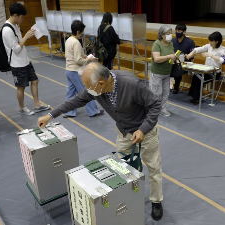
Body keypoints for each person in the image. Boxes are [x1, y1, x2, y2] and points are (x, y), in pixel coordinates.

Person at [38, 62, 164, 221]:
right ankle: (127, 199)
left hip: (146, 132)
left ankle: (156, 201)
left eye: (87, 85)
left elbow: (155, 104)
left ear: (101, 83)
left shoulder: (132, 84)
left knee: (153, 168)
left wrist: (143, 129)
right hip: (124, 132)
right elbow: (76, 100)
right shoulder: (96, 88)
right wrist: (50, 116)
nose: (86, 89)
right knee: (123, 169)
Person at [2, 2, 50, 115]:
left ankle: (37, 105)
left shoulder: (16, 25)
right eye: (22, 17)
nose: (23, 19)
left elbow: (20, 42)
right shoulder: (7, 30)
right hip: (16, 63)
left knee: (35, 80)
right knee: (21, 86)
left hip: (25, 60)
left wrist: (27, 38)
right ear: (15, 15)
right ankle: (21, 108)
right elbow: (16, 49)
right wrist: (26, 37)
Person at [63, 20, 104, 118]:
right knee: (86, 91)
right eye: (81, 33)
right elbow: (78, 60)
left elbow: (72, 55)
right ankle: (93, 111)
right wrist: (89, 59)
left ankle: (68, 111)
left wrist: (83, 56)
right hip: (75, 71)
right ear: (78, 31)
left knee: (71, 93)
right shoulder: (76, 42)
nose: (82, 35)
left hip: (68, 70)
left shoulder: (68, 40)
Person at [186, 31, 225, 105]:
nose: (210, 42)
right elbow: (198, 49)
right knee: (195, 76)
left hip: (215, 72)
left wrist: (211, 55)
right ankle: (192, 94)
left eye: (212, 41)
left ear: (217, 41)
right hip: (206, 71)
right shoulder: (209, 46)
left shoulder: (222, 49)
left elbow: (222, 60)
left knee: (199, 78)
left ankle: (196, 99)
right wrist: (190, 55)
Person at [150, 25, 176, 117]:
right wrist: (169, 56)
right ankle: (154, 109)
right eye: (167, 34)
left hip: (167, 72)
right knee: (156, 93)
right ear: (161, 34)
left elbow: (171, 55)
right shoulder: (157, 44)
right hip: (157, 72)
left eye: (170, 33)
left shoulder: (171, 44)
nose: (170, 35)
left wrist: (174, 58)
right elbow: (156, 59)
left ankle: (163, 109)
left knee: (166, 92)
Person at [171, 24, 195, 94]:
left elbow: (192, 55)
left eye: (179, 31)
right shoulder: (172, 41)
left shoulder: (190, 42)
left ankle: (176, 87)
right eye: (176, 30)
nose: (177, 32)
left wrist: (187, 56)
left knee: (177, 66)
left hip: (184, 62)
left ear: (184, 32)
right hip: (173, 60)